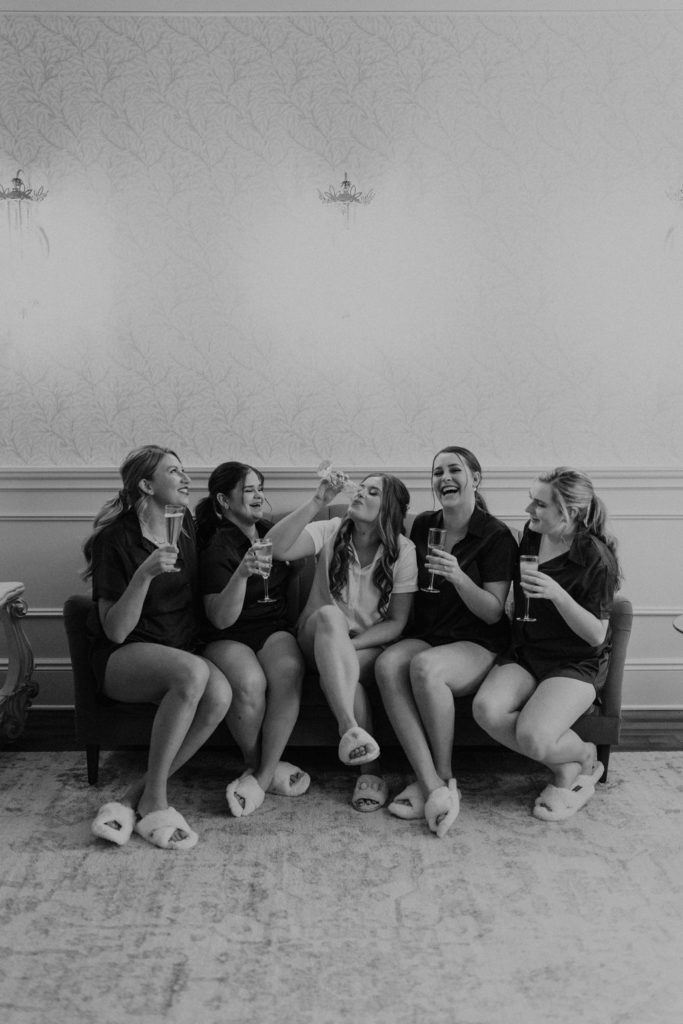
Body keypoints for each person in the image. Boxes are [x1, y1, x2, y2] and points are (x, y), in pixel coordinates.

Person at [84, 445, 232, 851]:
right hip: (125, 655)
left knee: (220, 696)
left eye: (184, 470)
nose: (186, 478)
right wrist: (144, 575)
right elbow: (114, 630)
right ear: (147, 485)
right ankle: (159, 802)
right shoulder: (114, 541)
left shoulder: (182, 524)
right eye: (174, 472)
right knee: (193, 673)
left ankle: (135, 798)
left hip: (179, 649)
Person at [374, 446, 518, 837]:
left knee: (424, 668)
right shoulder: (422, 524)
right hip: (429, 633)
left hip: (477, 640)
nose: (445, 478)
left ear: (475, 477)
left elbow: (491, 611)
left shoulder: (496, 535)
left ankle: (444, 776)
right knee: (386, 664)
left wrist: (456, 575)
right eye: (438, 472)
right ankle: (430, 783)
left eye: (454, 470)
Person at [473, 467, 622, 821]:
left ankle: (585, 758)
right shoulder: (531, 534)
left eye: (539, 504)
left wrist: (558, 594)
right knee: (486, 710)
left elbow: (596, 635)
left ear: (569, 512)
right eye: (531, 501)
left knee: (534, 737)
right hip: (527, 650)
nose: (529, 511)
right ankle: (571, 764)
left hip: (575, 662)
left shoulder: (596, 558)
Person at [267, 470, 418, 811]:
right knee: (330, 616)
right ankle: (349, 727)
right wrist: (319, 500)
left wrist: (345, 649)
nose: (360, 494)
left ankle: (370, 771)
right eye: (360, 488)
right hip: (314, 635)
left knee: (349, 677)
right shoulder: (331, 529)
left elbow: (396, 623)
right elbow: (274, 549)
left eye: (373, 492)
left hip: (362, 645)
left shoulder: (403, 552)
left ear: (390, 507)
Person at [195, 461, 309, 817]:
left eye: (261, 488)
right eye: (249, 489)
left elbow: (298, 553)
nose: (259, 495)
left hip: (271, 626)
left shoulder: (268, 531)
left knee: (289, 669)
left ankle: (259, 776)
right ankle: (259, 764)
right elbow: (219, 617)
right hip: (227, 634)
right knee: (249, 681)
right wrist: (242, 575)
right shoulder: (215, 546)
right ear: (223, 500)